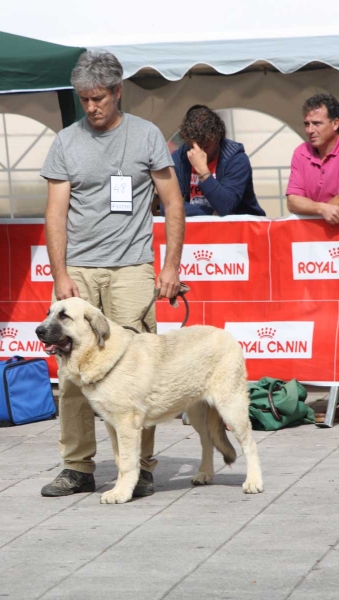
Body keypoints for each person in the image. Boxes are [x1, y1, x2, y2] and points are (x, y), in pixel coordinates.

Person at [39, 51, 185, 498]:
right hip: (79, 274)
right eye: (84, 99)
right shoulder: (65, 142)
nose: (91, 107)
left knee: (138, 373)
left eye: (98, 98)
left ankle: (138, 468)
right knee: (71, 378)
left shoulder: (146, 136)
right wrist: (61, 274)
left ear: (118, 91)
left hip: (132, 270)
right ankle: (77, 466)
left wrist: (171, 265)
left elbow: (173, 202)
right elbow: (55, 212)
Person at [169, 105, 265, 217]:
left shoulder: (237, 159)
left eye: (206, 146)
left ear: (218, 137)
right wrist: (210, 214)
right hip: (199, 229)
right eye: (193, 146)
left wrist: (203, 172)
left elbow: (226, 207)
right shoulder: (180, 157)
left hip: (241, 229)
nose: (200, 152)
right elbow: (168, 205)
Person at [286, 93, 339, 224]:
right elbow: (293, 202)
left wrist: (310, 208)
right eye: (306, 124)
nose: (310, 130)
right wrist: (322, 209)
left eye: (316, 123)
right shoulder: (301, 152)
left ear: (336, 123)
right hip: (312, 239)